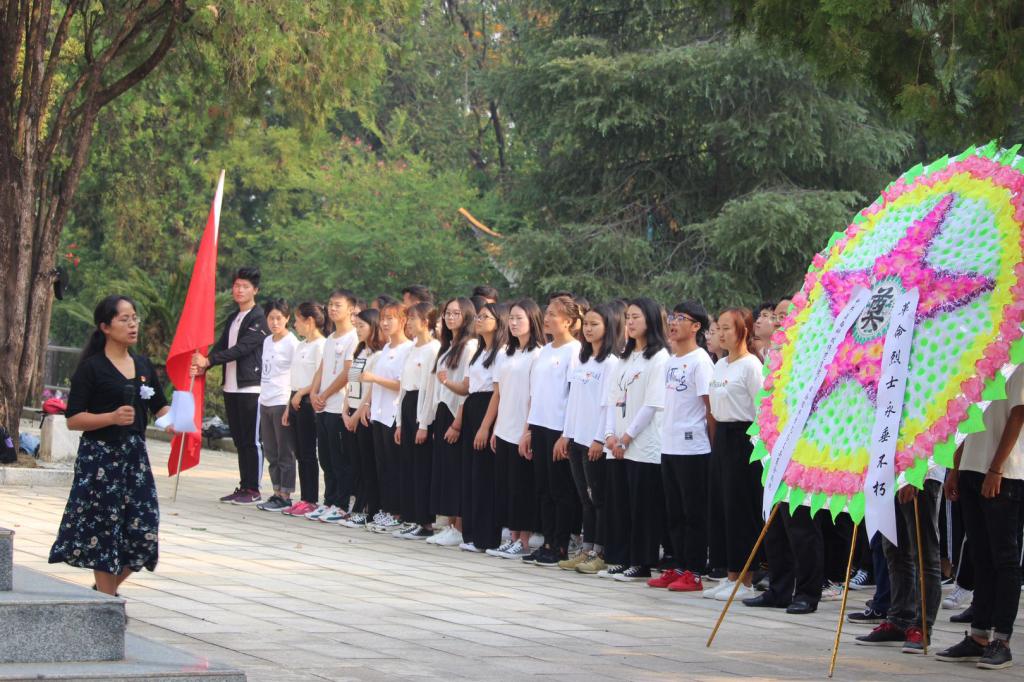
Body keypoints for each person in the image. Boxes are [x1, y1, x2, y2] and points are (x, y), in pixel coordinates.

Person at [50, 296, 172, 595]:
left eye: (134, 318)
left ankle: (102, 595)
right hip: (100, 459)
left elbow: (160, 408)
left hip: (135, 458)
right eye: (124, 319)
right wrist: (111, 418)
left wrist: (177, 421)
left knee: (144, 530)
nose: (132, 325)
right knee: (105, 532)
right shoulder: (91, 368)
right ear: (105, 327)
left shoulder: (143, 365)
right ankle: (107, 602)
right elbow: (73, 419)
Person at [936, 367, 1024, 670]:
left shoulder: (1019, 362)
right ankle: (979, 636)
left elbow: (1018, 415)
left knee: (1004, 560)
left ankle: (1002, 640)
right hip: (971, 469)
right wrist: (955, 469)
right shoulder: (981, 361)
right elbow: (967, 418)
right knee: (980, 557)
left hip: (1004, 475)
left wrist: (996, 468)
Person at [646, 301, 715, 593]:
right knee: (673, 512)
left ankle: (694, 571)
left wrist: (712, 447)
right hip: (669, 445)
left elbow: (710, 408)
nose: (673, 323)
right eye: (672, 317)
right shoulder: (671, 361)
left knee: (693, 513)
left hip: (694, 449)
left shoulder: (700, 361)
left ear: (696, 326)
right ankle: (677, 566)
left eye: (681, 318)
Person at [603, 298, 670, 582]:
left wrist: (627, 437)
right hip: (617, 445)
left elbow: (652, 404)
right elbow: (612, 399)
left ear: (650, 320)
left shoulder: (660, 358)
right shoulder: (625, 357)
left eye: (636, 317)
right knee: (620, 504)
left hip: (642, 445)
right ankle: (621, 557)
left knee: (642, 507)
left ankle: (641, 562)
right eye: (628, 317)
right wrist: (609, 435)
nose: (629, 322)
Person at [191, 267, 269, 505]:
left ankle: (254, 489)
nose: (239, 290)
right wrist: (205, 364)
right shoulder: (233, 317)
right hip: (231, 387)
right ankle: (244, 486)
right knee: (239, 440)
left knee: (252, 441)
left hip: (251, 388)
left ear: (255, 290)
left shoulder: (259, 318)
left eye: (245, 286)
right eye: (236, 286)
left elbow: (242, 349)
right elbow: (223, 346)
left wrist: (209, 361)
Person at [555, 303, 622, 574]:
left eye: (595, 324)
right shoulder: (582, 360)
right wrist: (566, 435)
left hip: (595, 442)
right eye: (587, 324)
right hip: (576, 439)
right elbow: (573, 401)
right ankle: (586, 549)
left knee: (599, 499)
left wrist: (599, 439)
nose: (589, 329)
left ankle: (600, 552)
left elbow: (608, 405)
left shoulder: (611, 363)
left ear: (608, 327)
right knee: (585, 498)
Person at [704, 307, 764, 601]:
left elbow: (763, 409)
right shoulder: (719, 365)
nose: (721, 333)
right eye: (719, 327)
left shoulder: (751, 366)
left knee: (740, 509)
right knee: (721, 507)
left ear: (744, 331)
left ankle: (746, 579)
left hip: (744, 439)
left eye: (728, 328)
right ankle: (729, 574)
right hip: (723, 438)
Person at [523, 296, 583, 566]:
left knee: (560, 490)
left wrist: (566, 434)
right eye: (546, 313)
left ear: (568, 321)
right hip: (540, 425)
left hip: (559, 428)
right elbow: (535, 393)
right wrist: (528, 430)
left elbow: (573, 396)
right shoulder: (545, 350)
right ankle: (547, 542)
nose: (546, 319)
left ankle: (560, 545)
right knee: (543, 489)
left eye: (552, 315)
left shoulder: (575, 351)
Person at [485, 299, 545, 559]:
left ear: (532, 320)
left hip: (523, 428)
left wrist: (528, 430)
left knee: (522, 487)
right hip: (504, 428)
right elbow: (498, 393)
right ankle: (512, 536)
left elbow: (535, 396)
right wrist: (494, 428)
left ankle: (524, 540)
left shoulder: (539, 354)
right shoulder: (504, 353)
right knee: (507, 486)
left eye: (520, 318)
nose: (514, 322)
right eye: (511, 318)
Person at [427, 298, 478, 547]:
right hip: (443, 410)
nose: (450, 317)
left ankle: (459, 526)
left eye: (456, 313)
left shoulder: (469, 347)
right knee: (445, 471)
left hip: (457, 413)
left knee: (456, 471)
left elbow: (467, 389)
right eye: (447, 313)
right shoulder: (448, 346)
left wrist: (457, 423)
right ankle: (449, 525)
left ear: (467, 316)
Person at [459, 302, 509, 552]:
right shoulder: (478, 352)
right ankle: (471, 533)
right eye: (478, 316)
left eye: (485, 317)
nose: (478, 320)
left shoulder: (501, 353)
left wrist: (485, 427)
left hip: (487, 408)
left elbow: (497, 394)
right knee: (471, 474)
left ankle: (487, 537)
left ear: (498, 322)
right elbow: (469, 387)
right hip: (473, 406)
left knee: (485, 476)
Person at [306, 290, 359, 523]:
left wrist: (325, 394)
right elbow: (322, 368)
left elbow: (348, 373)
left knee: (340, 460)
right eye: (330, 304)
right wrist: (313, 392)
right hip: (323, 406)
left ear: (351, 309)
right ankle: (328, 501)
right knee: (325, 458)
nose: (332, 309)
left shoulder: (353, 338)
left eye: (338, 305)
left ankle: (341, 503)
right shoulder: (330, 339)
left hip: (339, 406)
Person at [362, 302, 415, 533]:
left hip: (395, 414)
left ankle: (397, 512)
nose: (384, 323)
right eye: (383, 318)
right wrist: (368, 403)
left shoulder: (408, 349)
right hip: (379, 413)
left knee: (395, 466)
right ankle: (387, 508)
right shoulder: (385, 349)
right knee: (382, 465)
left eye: (390, 318)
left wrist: (373, 378)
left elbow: (401, 384)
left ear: (403, 320)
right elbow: (375, 382)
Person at [393, 302, 441, 539]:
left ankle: (426, 522)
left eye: (413, 318)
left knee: (422, 468)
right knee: (408, 466)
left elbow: (430, 389)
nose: (409, 323)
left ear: (426, 321)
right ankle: (411, 517)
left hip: (423, 409)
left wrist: (423, 423)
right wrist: (400, 422)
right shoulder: (411, 348)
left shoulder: (434, 349)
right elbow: (404, 386)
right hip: (408, 404)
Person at [338, 309, 385, 528]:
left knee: (368, 465)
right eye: (356, 326)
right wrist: (345, 409)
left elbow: (372, 387)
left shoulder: (378, 354)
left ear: (373, 326)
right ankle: (358, 507)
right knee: (355, 464)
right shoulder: (360, 351)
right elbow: (352, 383)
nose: (357, 330)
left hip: (364, 416)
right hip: (351, 412)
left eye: (362, 326)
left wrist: (357, 414)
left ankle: (370, 510)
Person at [281, 302, 327, 517]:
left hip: (308, 400)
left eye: (298, 320)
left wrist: (302, 393)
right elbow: (295, 378)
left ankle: (311, 499)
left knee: (308, 452)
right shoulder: (301, 345)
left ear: (310, 321)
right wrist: (289, 404)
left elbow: (321, 376)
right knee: (299, 451)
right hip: (295, 399)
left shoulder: (321, 345)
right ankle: (304, 498)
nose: (295, 325)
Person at [255, 300, 300, 512]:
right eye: (271, 318)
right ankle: (276, 491)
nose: (274, 323)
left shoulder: (292, 343)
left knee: (285, 451)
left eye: (279, 318)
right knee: (271, 450)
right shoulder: (267, 341)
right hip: (265, 400)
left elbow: (297, 376)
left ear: (287, 318)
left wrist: (290, 404)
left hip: (282, 401)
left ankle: (285, 495)